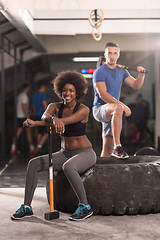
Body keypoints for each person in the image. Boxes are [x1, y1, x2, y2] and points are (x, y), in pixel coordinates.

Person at [11, 70, 97, 221]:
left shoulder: (83, 109)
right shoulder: (55, 106)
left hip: (85, 153)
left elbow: (68, 120)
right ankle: (26, 207)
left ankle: (85, 206)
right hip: (64, 153)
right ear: (60, 91)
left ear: (77, 92)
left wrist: (56, 120)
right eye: (64, 90)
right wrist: (38, 121)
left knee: (68, 167)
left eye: (71, 90)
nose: (67, 93)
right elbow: (45, 116)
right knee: (33, 163)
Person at [92, 42, 146, 159]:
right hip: (100, 110)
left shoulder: (122, 71)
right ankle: (118, 147)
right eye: (109, 53)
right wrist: (122, 105)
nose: (112, 56)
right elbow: (103, 94)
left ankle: (101, 175)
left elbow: (136, 85)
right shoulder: (99, 72)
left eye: (115, 53)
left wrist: (141, 75)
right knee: (118, 108)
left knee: (106, 149)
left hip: (113, 113)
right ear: (105, 55)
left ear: (118, 55)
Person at [10, 83, 37, 155]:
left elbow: (24, 107)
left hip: (19, 116)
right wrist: (27, 117)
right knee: (28, 133)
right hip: (23, 117)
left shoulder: (19, 95)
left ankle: (13, 148)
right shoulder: (24, 96)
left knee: (18, 133)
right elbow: (24, 107)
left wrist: (31, 113)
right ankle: (32, 149)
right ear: (27, 88)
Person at [32, 82, 48, 154]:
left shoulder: (34, 96)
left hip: (37, 115)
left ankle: (37, 147)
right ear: (42, 87)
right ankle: (39, 146)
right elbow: (44, 105)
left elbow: (33, 107)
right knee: (47, 132)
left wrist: (35, 113)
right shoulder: (43, 95)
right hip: (43, 116)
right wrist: (49, 113)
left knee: (39, 132)